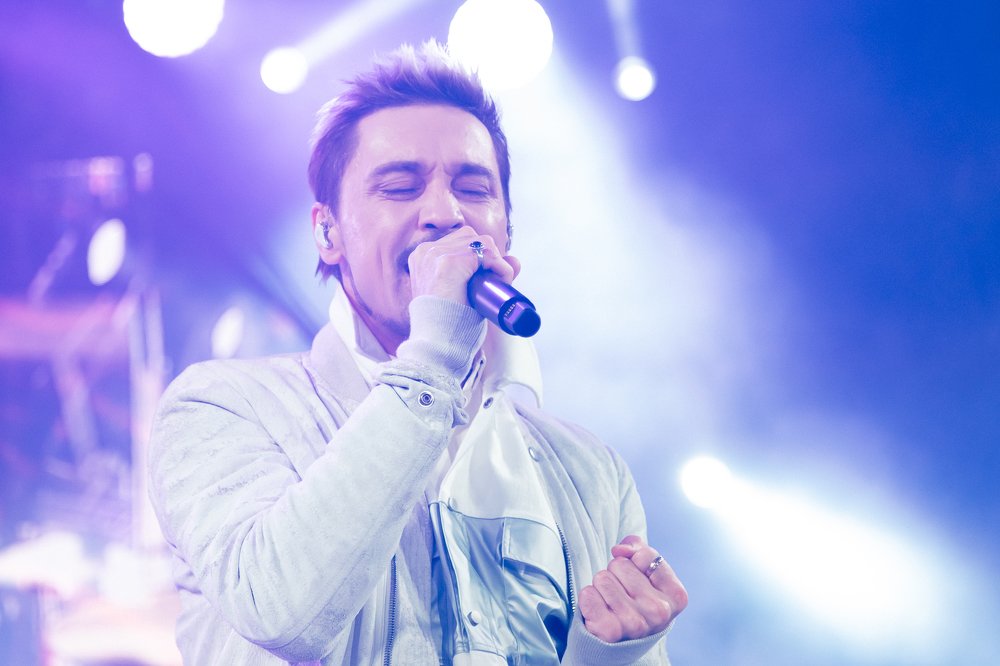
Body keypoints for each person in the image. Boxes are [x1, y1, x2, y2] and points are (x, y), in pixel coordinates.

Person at [148, 40, 687, 665]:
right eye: (401, 187)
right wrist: (435, 357)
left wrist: (608, 657)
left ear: (506, 227)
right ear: (327, 231)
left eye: (474, 188)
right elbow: (281, 612)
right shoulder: (223, 406)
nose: (444, 213)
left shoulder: (589, 469)